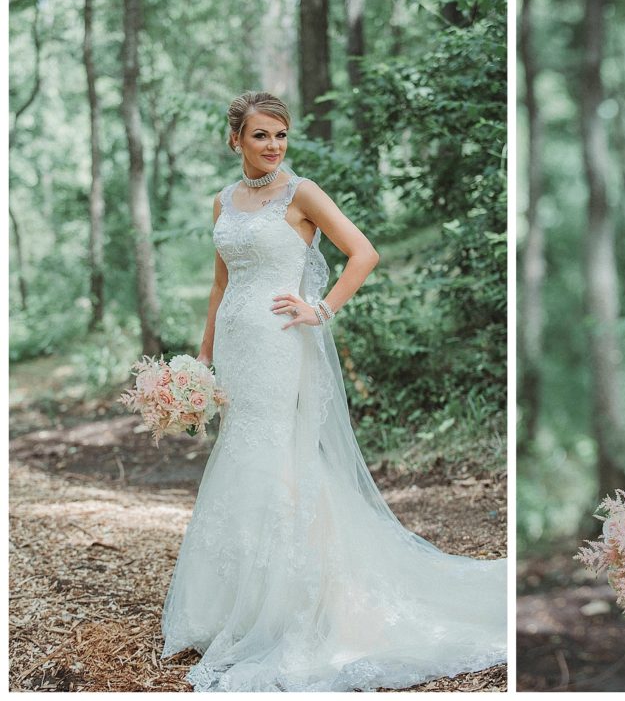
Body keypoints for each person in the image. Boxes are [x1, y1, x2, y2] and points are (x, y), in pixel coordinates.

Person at [160, 91, 506, 691]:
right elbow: (220, 287)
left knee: (277, 456)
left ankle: (308, 597)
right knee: (241, 456)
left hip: (277, 342)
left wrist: (320, 308)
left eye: (281, 135)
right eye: (261, 135)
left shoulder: (303, 193)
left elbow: (363, 253)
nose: (273, 146)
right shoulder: (223, 201)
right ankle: (237, 604)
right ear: (235, 138)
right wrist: (204, 355)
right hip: (236, 347)